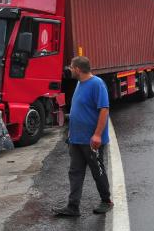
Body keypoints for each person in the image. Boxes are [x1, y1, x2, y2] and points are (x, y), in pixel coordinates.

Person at [52, 56, 113, 217]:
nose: (69, 70)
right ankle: (73, 207)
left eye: (71, 67)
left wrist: (98, 135)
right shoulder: (79, 83)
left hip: (91, 140)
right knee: (75, 172)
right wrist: (71, 133)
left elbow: (104, 110)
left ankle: (106, 201)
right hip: (76, 139)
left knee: (97, 171)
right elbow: (79, 110)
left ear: (78, 69)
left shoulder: (97, 84)